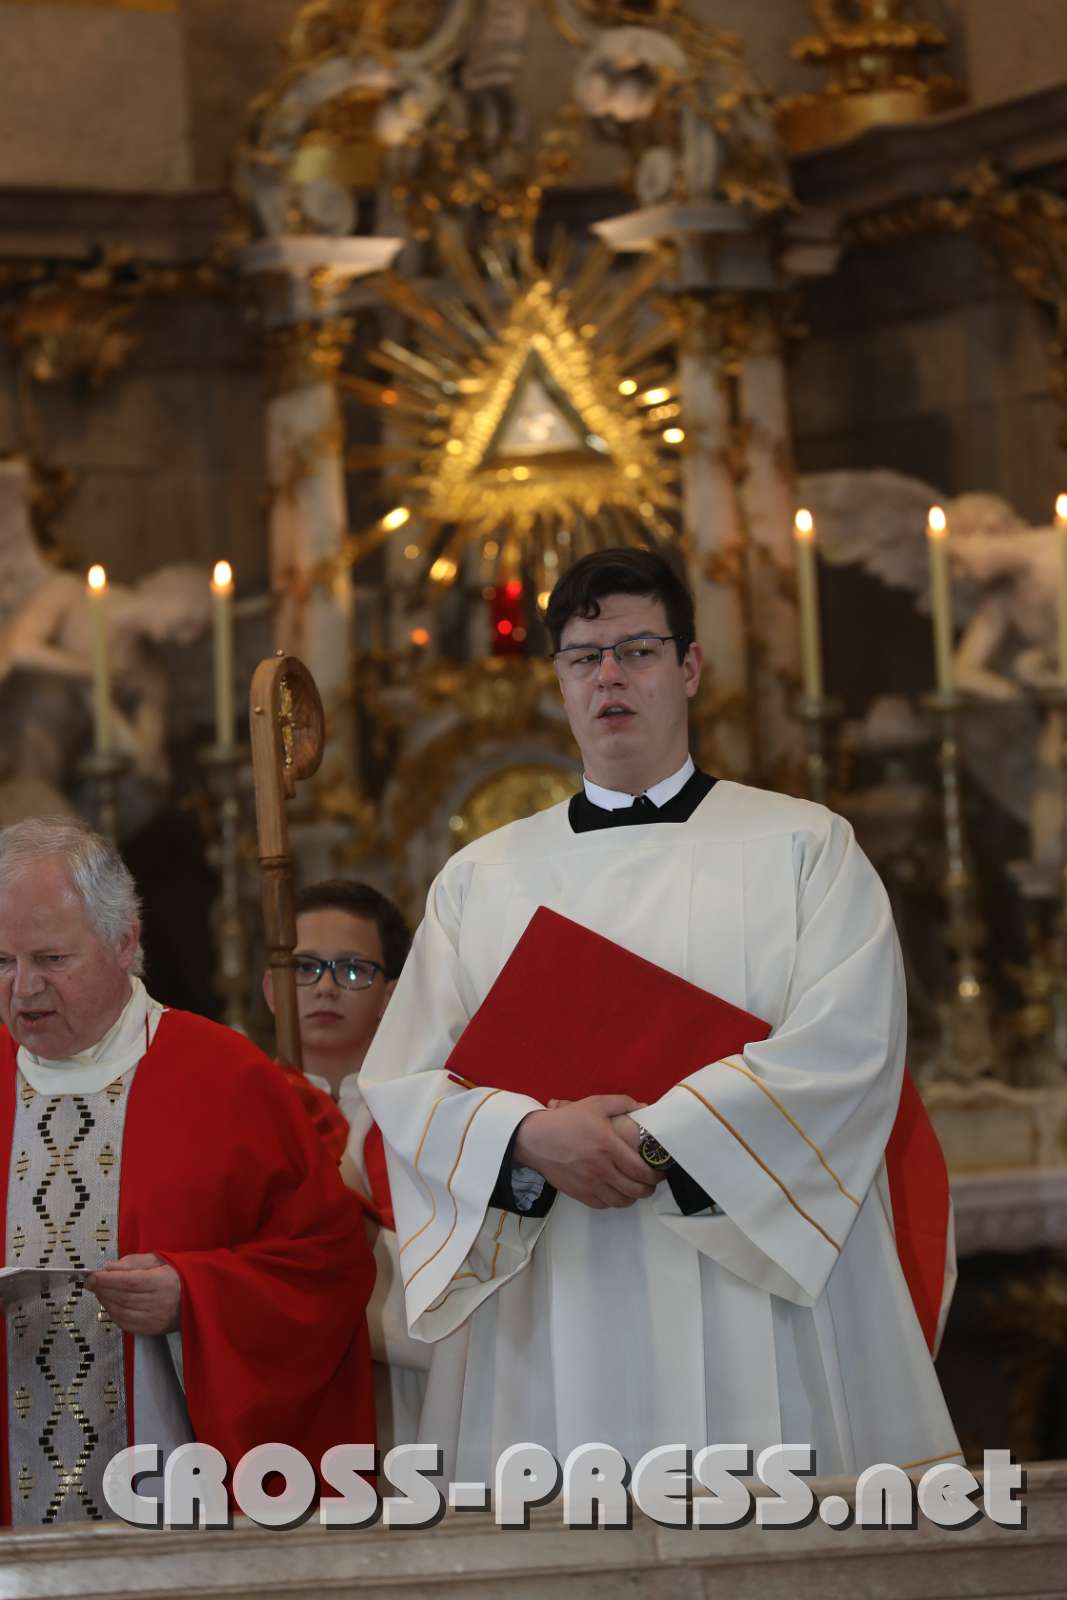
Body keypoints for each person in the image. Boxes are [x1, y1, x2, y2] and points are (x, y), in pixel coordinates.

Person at [358, 545, 960, 1483]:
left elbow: (846, 1049)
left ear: (689, 668)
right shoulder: (481, 877)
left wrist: (654, 1140)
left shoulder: (804, 845)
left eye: (637, 651)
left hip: (752, 1277)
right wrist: (527, 1135)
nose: (609, 676)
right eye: (582, 656)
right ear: (558, 680)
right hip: (553, 1288)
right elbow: (404, 1082)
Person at [0, 817, 376, 1526]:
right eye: (1, 961)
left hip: (175, 1503)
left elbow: (328, 1267)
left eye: (51, 958)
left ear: (124, 941)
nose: (23, 989)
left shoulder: (227, 1079)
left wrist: (194, 1297)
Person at [264, 879, 426, 1453]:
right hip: (282, 1406)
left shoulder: (429, 1113)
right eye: (304, 968)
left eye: (353, 970)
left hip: (408, 1408)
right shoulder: (242, 1109)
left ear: (391, 995)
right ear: (272, 989)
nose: (326, 988)